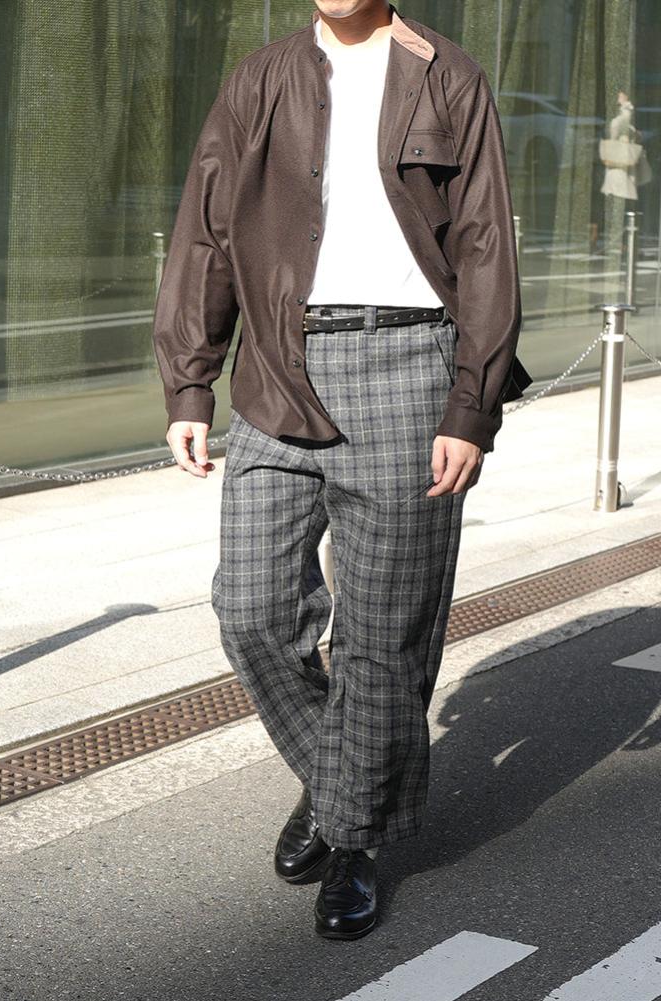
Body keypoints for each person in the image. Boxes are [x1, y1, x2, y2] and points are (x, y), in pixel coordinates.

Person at [152, 0, 530, 941]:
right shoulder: (260, 78)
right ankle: (339, 780)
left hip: (410, 367)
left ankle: (354, 836)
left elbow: (485, 242)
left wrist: (471, 406)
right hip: (279, 369)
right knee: (251, 609)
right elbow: (206, 232)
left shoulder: (448, 75)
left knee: (382, 636)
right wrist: (190, 384)